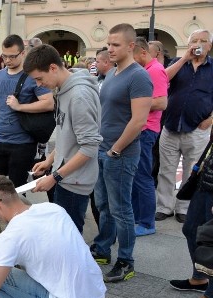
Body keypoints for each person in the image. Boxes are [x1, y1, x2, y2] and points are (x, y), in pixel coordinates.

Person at [90, 23, 153, 283]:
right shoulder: (114, 74)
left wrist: (115, 150)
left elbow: (139, 121)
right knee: (103, 205)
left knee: (121, 209)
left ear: (131, 46)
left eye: (116, 45)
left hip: (120, 154)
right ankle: (103, 249)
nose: (110, 49)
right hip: (104, 150)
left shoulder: (138, 76)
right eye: (109, 44)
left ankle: (126, 261)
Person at [24, 44, 101, 234]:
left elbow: (90, 147)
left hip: (75, 182)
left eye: (39, 79)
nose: (39, 85)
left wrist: (55, 176)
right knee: (64, 235)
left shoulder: (79, 96)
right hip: (67, 177)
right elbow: (67, 136)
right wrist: (49, 161)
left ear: (53, 67)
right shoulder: (64, 90)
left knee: (69, 238)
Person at [155, 29, 213, 224]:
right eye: (194, 41)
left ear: (210, 46)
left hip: (197, 129)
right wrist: (183, 60)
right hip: (170, 126)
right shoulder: (177, 63)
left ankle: (183, 208)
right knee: (166, 169)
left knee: (191, 171)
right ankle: (164, 206)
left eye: (203, 41)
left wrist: (211, 119)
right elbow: (163, 78)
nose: (198, 44)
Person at [0, 34, 54, 188]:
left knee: (17, 190)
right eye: (4, 56)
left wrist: (19, 107)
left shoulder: (33, 76)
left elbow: (49, 103)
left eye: (12, 56)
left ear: (23, 54)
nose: (7, 60)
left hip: (23, 144)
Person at [170, 139, 213, 298]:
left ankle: (210, 297)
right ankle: (200, 277)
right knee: (191, 230)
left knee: (211, 240)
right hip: (206, 182)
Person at [131, 37, 168, 236]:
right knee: (138, 177)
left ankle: (146, 222)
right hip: (141, 129)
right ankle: (139, 219)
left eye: (133, 55)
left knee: (143, 177)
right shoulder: (146, 70)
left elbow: (161, 102)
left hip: (147, 130)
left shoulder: (154, 70)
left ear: (142, 53)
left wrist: (133, 104)